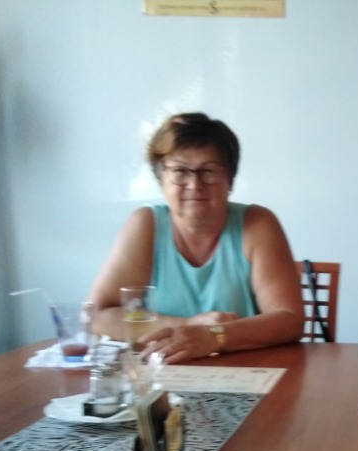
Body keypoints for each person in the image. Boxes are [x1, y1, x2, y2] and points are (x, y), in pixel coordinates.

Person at [87, 112, 304, 363]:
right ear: (161, 179)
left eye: (208, 171)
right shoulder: (145, 225)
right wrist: (188, 326)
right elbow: (98, 316)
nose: (194, 184)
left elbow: (290, 320)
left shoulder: (257, 224)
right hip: (162, 373)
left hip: (246, 371)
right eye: (180, 171)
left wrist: (215, 336)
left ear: (230, 180)